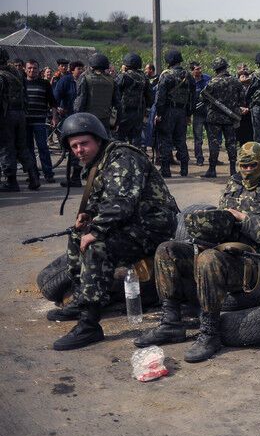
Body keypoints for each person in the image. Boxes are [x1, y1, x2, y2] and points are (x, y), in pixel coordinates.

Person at [134, 141, 260, 362]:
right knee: (167, 250)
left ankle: (210, 333)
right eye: (243, 167)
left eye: (252, 166)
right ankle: (171, 323)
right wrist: (208, 228)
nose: (247, 171)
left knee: (209, 260)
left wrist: (244, 220)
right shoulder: (234, 184)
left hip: (259, 260)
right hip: (226, 251)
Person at [50, 112, 179, 350]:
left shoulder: (123, 157)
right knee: (76, 235)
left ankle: (89, 324)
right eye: (74, 146)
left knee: (97, 245)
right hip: (132, 223)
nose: (79, 150)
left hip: (154, 227)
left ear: (98, 139)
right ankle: (82, 297)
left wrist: (96, 230)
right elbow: (105, 198)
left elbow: (121, 202)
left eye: (84, 143)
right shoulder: (99, 161)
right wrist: (88, 215)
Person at [0, 48, 40, 191]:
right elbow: (25, 95)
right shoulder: (16, 73)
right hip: (21, 114)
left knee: (6, 148)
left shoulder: (1, 76)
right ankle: (34, 176)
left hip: (6, 116)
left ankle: (11, 181)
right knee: (22, 147)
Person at [199, 56, 244, 178]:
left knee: (214, 143)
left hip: (214, 118)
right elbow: (242, 99)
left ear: (215, 69)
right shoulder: (235, 81)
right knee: (231, 143)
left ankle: (212, 169)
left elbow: (203, 98)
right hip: (230, 117)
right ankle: (233, 170)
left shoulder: (213, 82)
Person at [154, 49, 194, 178]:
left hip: (168, 112)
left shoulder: (166, 75)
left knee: (165, 139)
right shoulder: (188, 76)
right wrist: (189, 114)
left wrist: (159, 113)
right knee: (181, 140)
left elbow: (160, 97)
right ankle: (184, 169)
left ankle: (166, 170)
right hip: (182, 112)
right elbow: (193, 97)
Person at [23, 59, 57, 183]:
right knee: (29, 149)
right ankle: (33, 174)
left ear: (39, 70)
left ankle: (48, 174)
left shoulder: (44, 84)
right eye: (30, 68)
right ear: (25, 69)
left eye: (35, 68)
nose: (32, 70)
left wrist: (54, 117)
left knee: (43, 147)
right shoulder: (21, 83)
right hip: (25, 122)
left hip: (39, 121)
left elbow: (53, 102)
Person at [53, 60, 85, 188]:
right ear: (72, 70)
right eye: (79, 69)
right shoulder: (65, 81)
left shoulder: (84, 81)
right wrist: (55, 115)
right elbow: (55, 100)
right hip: (68, 119)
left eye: (82, 68)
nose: (81, 71)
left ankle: (75, 177)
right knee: (71, 149)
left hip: (82, 120)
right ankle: (72, 177)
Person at [73, 53, 121, 134]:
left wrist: (77, 117)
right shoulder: (112, 81)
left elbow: (80, 101)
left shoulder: (86, 79)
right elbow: (117, 103)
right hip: (105, 119)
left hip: (88, 119)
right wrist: (117, 122)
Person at [115, 53, 153, 147]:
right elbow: (149, 96)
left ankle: (122, 158)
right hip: (138, 112)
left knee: (120, 137)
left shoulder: (124, 76)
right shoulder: (144, 77)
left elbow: (115, 92)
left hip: (125, 112)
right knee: (136, 137)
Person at [189, 61, 211, 166]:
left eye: (200, 68)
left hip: (209, 112)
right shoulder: (189, 81)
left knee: (212, 137)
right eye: (197, 69)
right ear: (192, 70)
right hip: (197, 113)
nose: (200, 71)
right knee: (198, 138)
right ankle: (199, 159)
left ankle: (213, 159)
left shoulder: (207, 78)